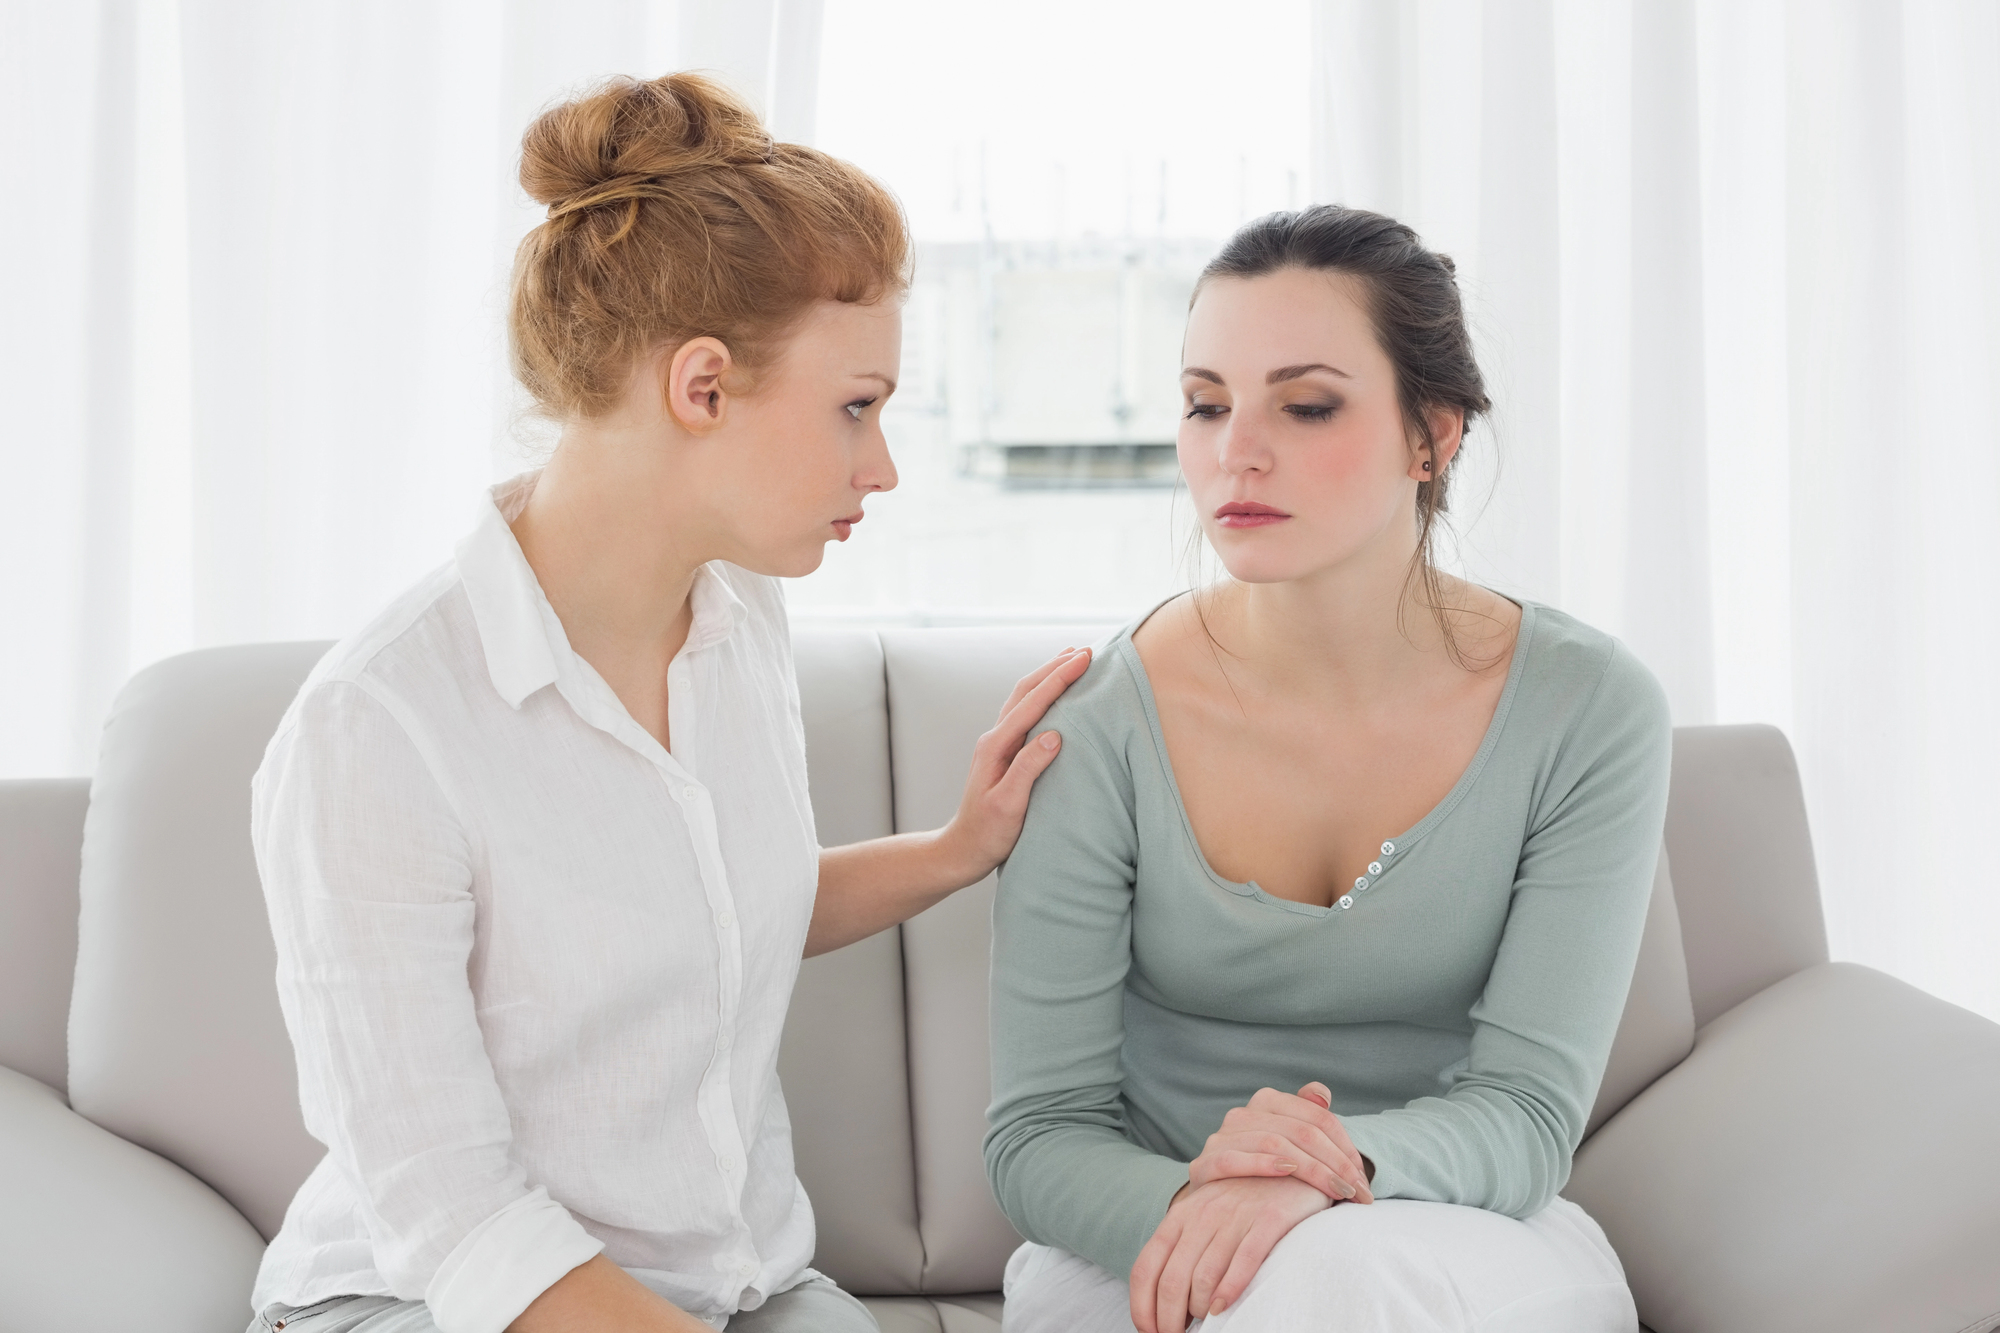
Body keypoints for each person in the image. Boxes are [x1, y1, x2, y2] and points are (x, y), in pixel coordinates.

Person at [247, 73, 1089, 1333]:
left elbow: (716, 905)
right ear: (700, 386)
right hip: (431, 1300)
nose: (884, 464)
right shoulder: (378, 727)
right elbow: (453, 1213)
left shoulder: (739, 622)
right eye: (855, 407)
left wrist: (953, 851)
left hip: (738, 1288)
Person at [985, 205, 1670, 1333]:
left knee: (1340, 1280)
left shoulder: (1586, 709)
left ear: (1432, 435)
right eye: (1205, 403)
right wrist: (1217, 1203)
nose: (1233, 450)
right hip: (1144, 1231)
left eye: (1304, 406)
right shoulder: (1099, 720)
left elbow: (1526, 1113)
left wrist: (1321, 1166)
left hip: (1455, 1226)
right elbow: (1038, 1133)